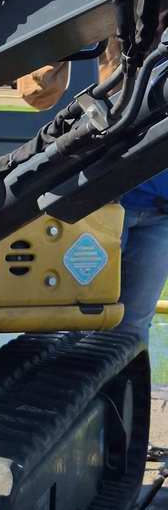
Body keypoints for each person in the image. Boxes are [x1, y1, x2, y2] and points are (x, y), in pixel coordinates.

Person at [17, 50, 168, 341]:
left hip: (159, 212)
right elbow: (37, 92)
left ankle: (120, 386)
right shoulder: (124, 28)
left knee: (132, 328)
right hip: (102, 205)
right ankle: (50, 384)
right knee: (69, 319)